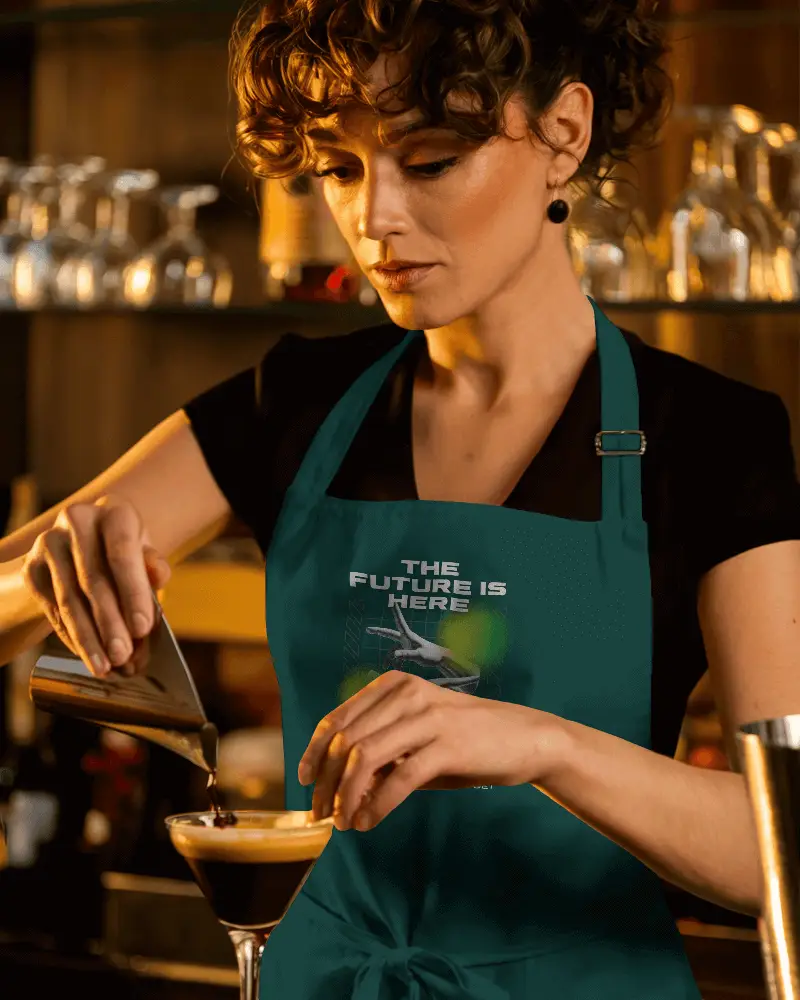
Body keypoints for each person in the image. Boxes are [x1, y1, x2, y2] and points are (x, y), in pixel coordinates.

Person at [1, 0, 800, 995]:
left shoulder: (712, 435)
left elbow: (780, 847)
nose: (371, 218)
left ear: (563, 133)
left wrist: (542, 743)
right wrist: (50, 569)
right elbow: (8, 598)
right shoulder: (296, 401)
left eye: (425, 163)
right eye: (338, 168)